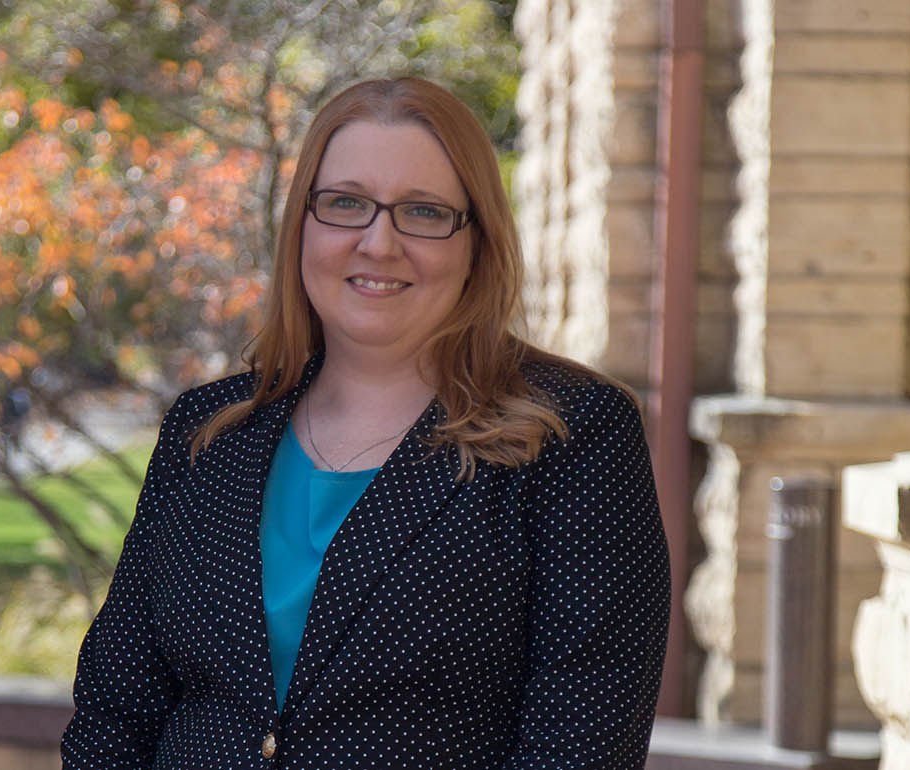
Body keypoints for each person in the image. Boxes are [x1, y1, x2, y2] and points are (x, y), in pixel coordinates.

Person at [61, 77, 670, 769]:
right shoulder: (208, 431)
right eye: (346, 204)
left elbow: (583, 741)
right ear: (303, 225)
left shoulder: (572, 435)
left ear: (477, 241)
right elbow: (116, 709)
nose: (379, 243)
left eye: (423, 212)